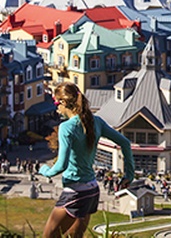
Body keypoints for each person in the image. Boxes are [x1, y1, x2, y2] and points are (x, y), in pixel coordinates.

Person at [39, 82, 135, 238]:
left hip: (75, 192)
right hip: (91, 191)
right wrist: (129, 174)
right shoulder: (96, 121)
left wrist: (45, 171)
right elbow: (125, 142)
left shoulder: (67, 127)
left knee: (48, 236)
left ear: (64, 102)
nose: (56, 108)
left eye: (56, 103)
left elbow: (61, 165)